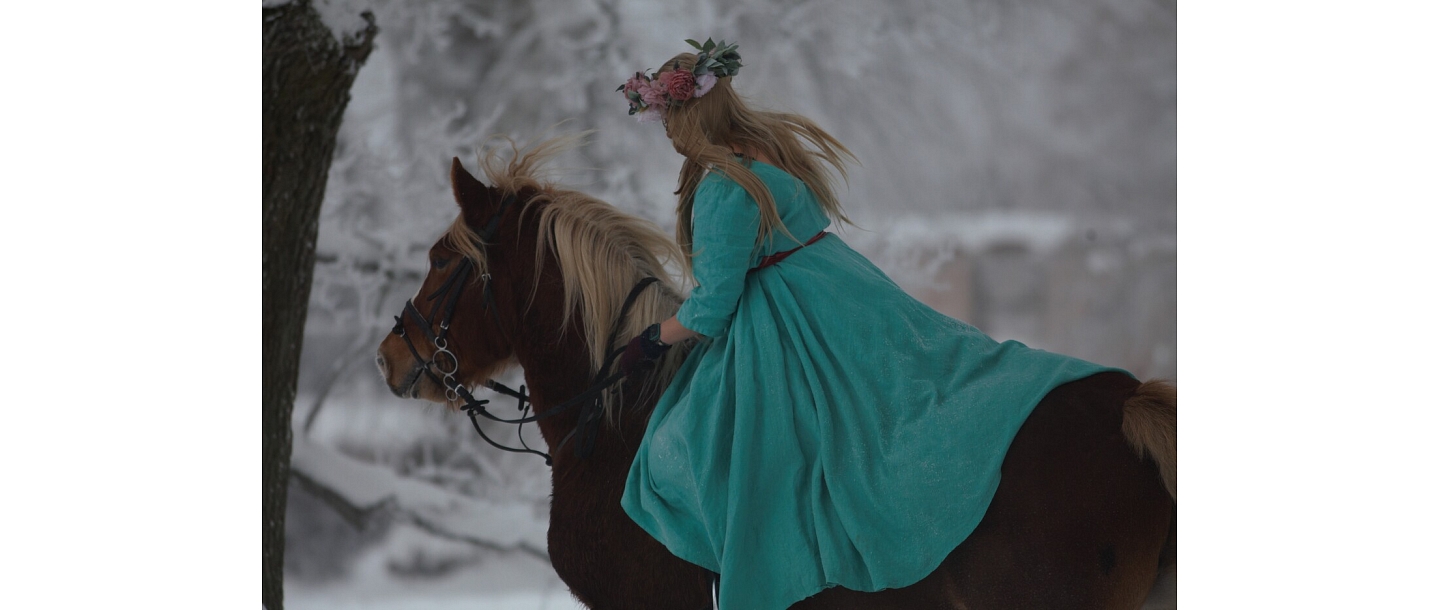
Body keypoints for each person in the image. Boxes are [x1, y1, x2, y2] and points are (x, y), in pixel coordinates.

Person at [615, 39, 1120, 610]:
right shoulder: (767, 150)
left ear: (685, 115)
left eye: (666, 121)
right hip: (840, 285)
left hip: (788, 315)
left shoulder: (723, 184)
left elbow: (713, 306)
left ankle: (772, 558)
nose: (668, 135)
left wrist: (654, 339)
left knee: (700, 442)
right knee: (916, 380)